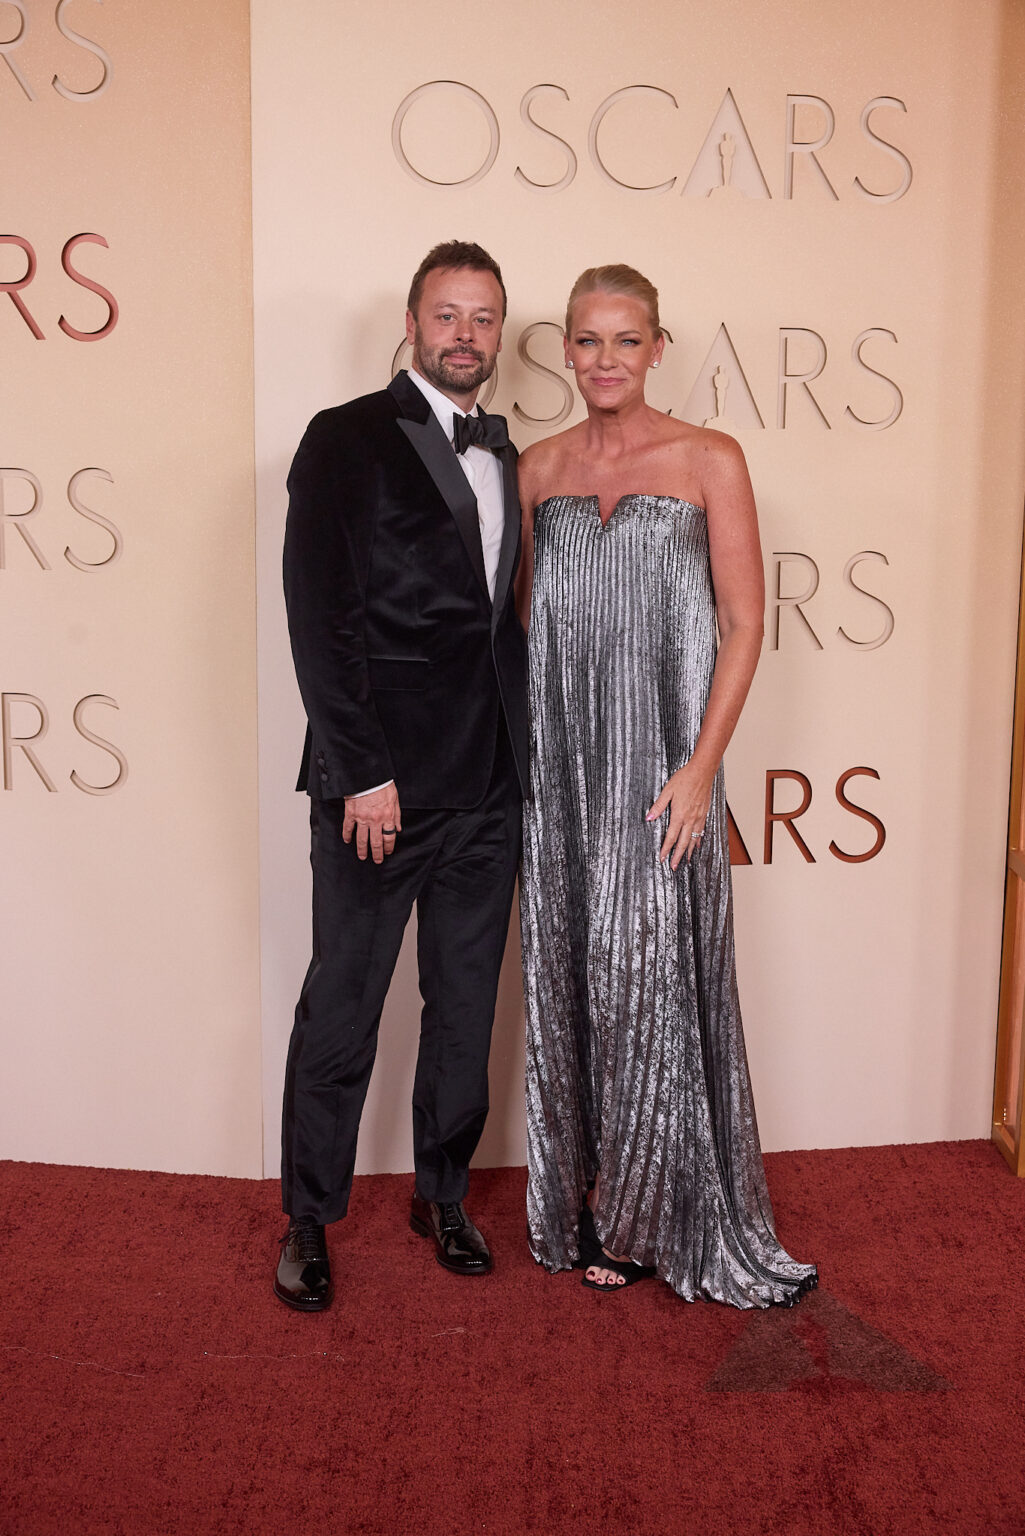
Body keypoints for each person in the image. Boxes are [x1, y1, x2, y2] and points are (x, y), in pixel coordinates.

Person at [516, 265, 816, 1306]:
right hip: (561, 772)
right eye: (588, 340)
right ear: (565, 348)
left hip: (662, 773)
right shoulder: (536, 468)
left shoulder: (707, 458)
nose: (606, 359)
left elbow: (743, 622)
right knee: (572, 972)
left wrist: (699, 771)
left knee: (643, 975)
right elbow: (524, 627)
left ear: (656, 347)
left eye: (626, 339)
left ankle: (654, 1215)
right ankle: (584, 1198)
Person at [275, 240, 528, 1311]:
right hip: (376, 793)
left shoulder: (510, 454)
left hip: (487, 788)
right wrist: (361, 772)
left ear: (498, 332)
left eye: (482, 317)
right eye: (446, 315)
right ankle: (308, 1217)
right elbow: (319, 614)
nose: (464, 335)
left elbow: (499, 627)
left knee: (464, 1011)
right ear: (413, 324)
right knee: (343, 1007)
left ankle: (443, 1194)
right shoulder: (344, 437)